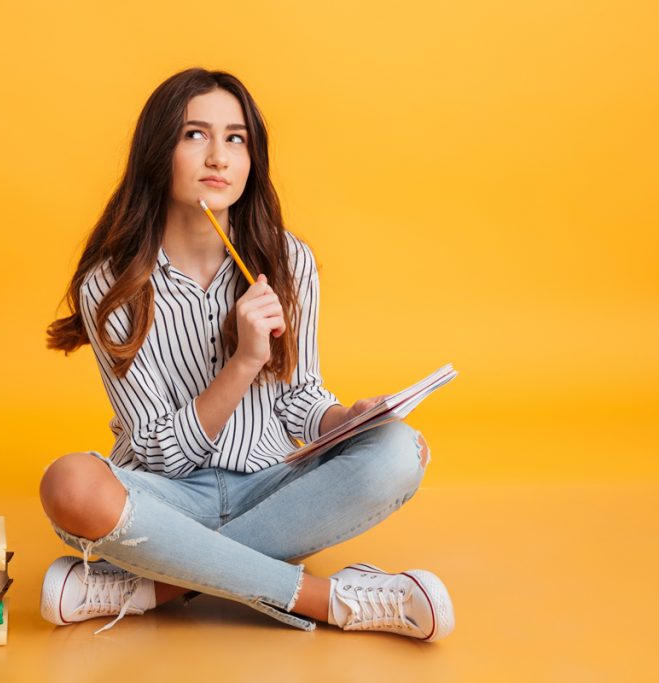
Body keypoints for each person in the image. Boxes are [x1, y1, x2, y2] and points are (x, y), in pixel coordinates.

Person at [40, 67, 454, 640]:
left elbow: (300, 401)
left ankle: (157, 584)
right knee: (69, 484)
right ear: (159, 151)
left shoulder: (289, 262)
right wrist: (242, 364)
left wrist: (347, 421)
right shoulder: (111, 286)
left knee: (400, 451)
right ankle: (327, 600)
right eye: (195, 135)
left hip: (272, 486)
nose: (218, 157)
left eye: (236, 139)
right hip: (166, 500)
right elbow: (161, 455)